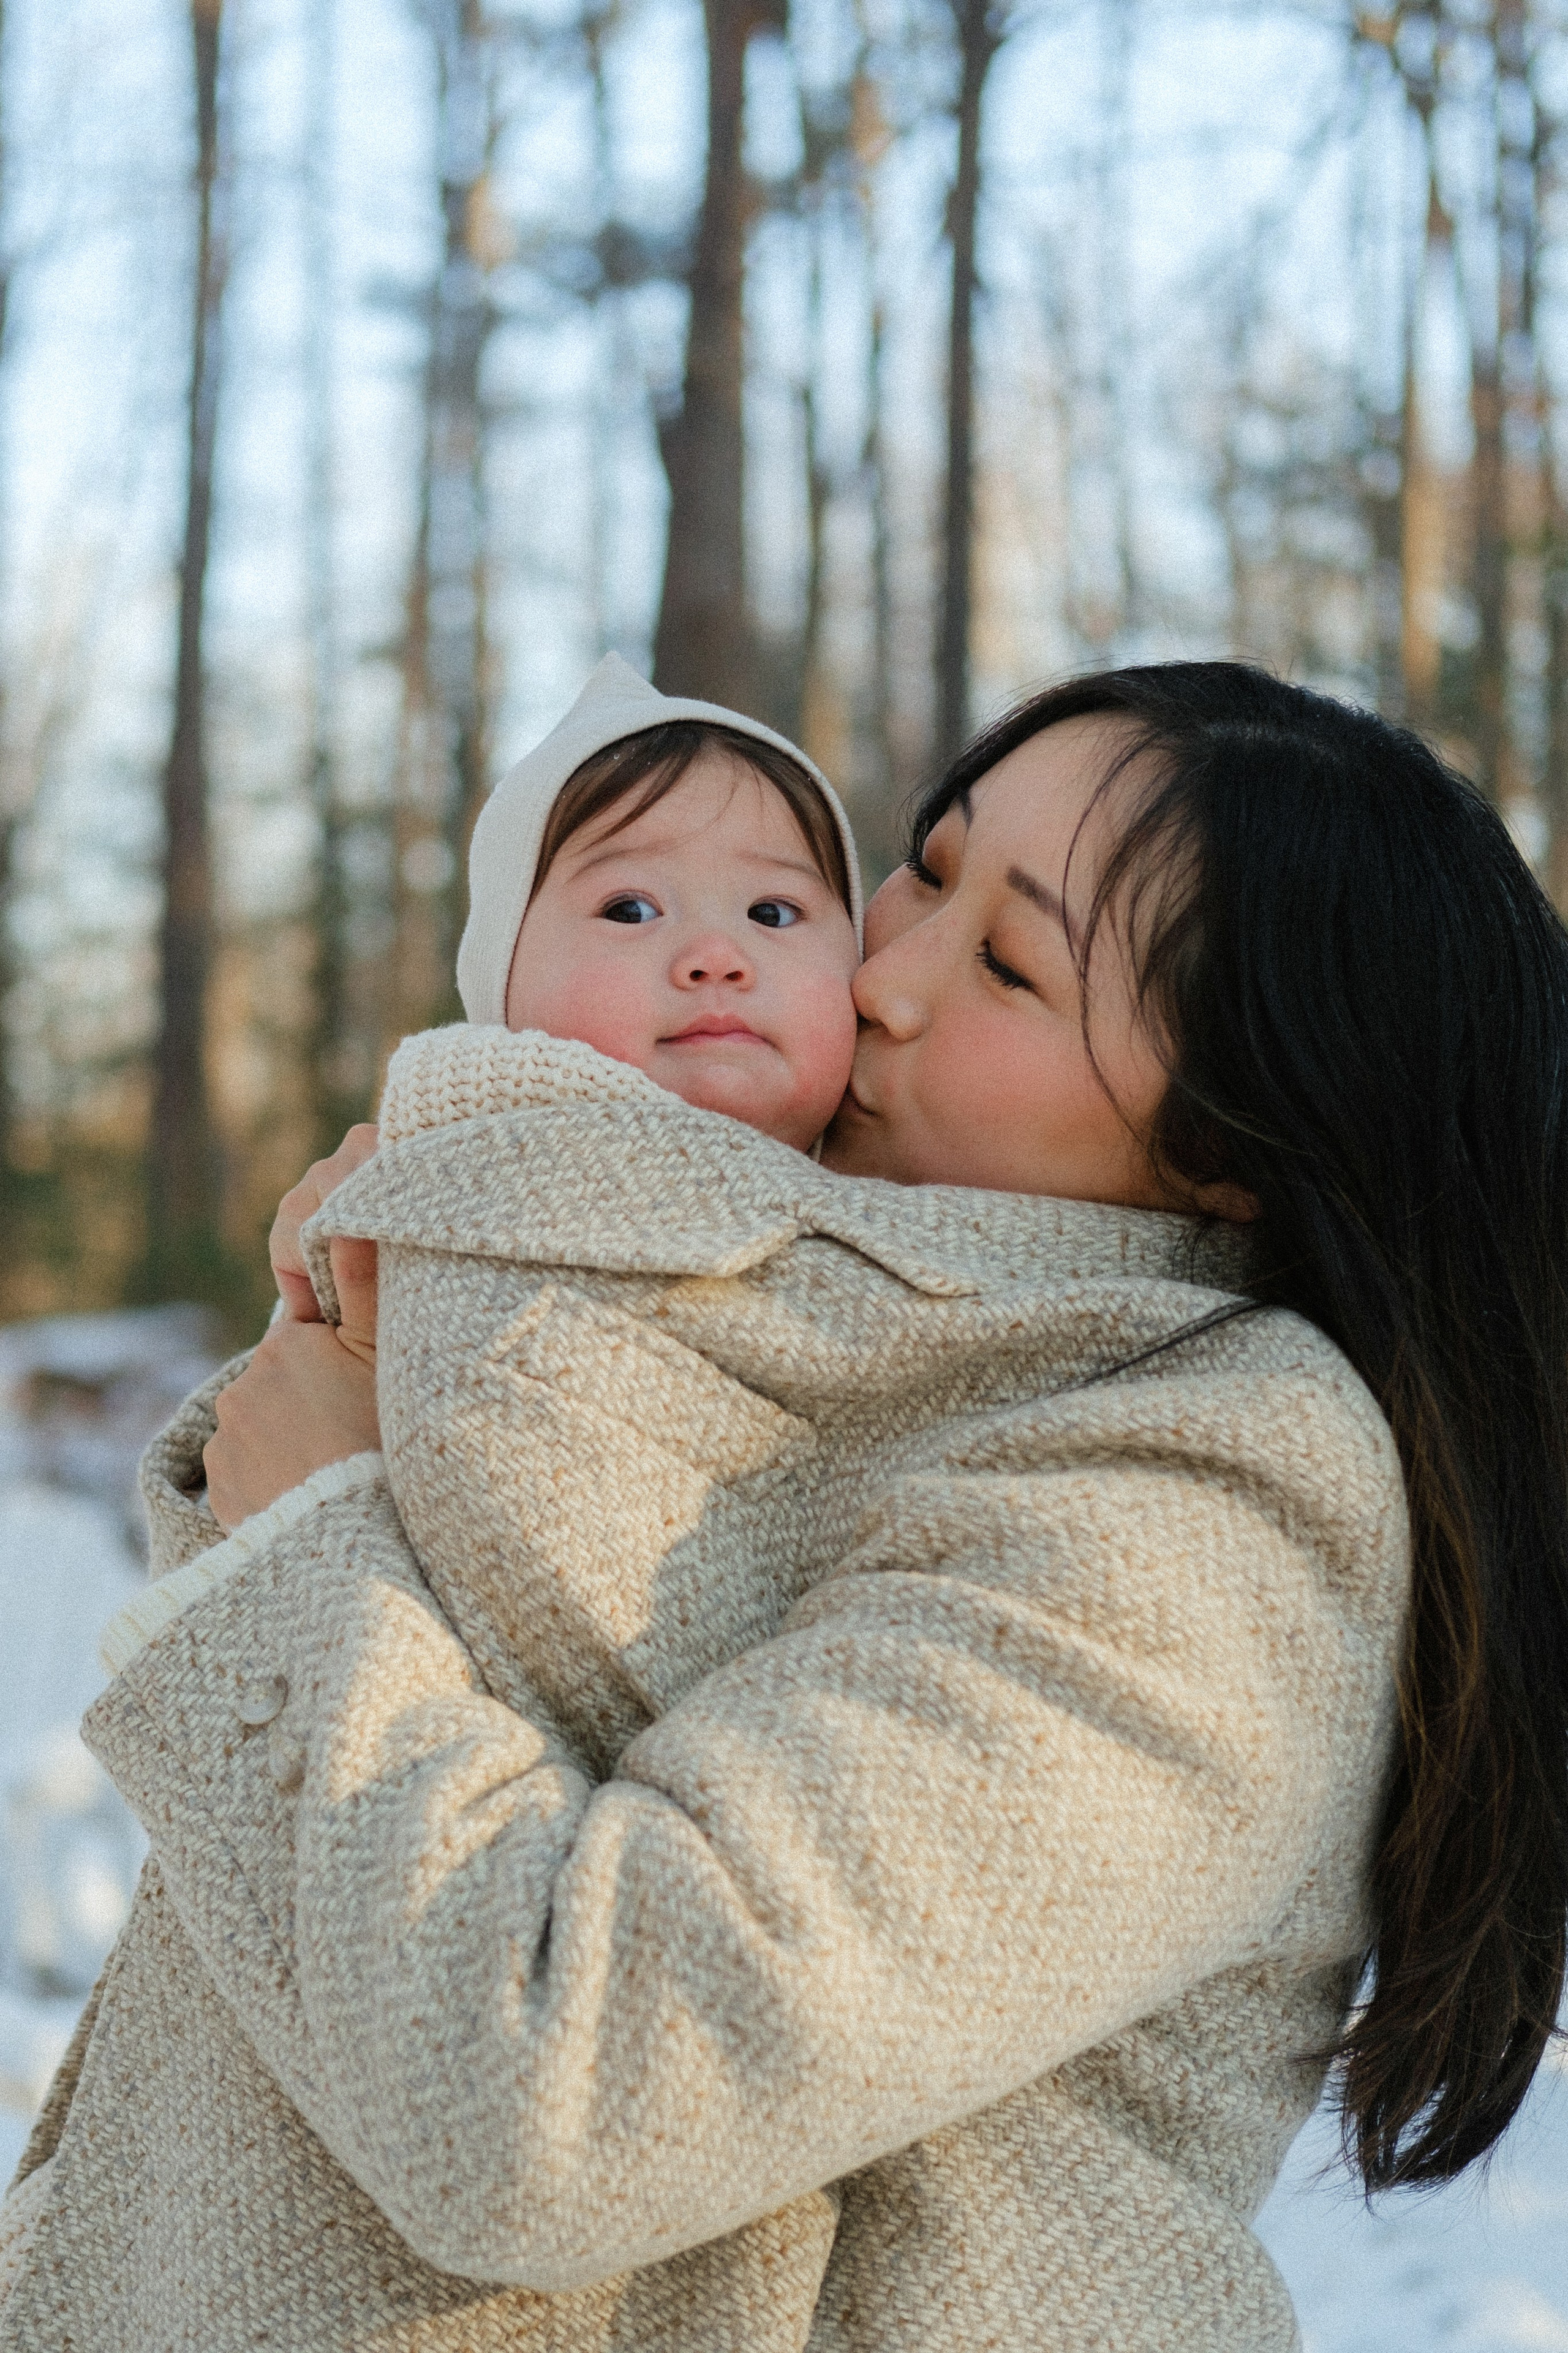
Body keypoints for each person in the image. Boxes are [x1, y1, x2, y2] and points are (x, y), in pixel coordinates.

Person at [4, 664, 1566, 2353]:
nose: (874, 970)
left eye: (1010, 964)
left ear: (1234, 1151)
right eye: (922, 865)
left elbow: (560, 2094)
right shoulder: (827, 1331)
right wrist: (392, 1321)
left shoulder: (1219, 1513)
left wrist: (318, 1520)